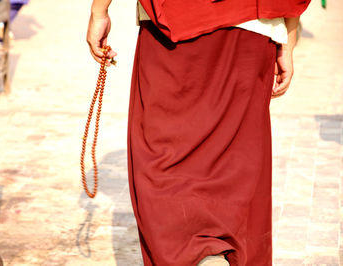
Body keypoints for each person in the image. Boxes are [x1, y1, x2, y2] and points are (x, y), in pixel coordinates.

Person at [86, 0, 310, 265]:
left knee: (163, 150)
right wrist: (288, 36)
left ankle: (176, 251)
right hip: (252, 23)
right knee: (241, 151)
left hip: (171, 22)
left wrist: (99, 11)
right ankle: (235, 248)